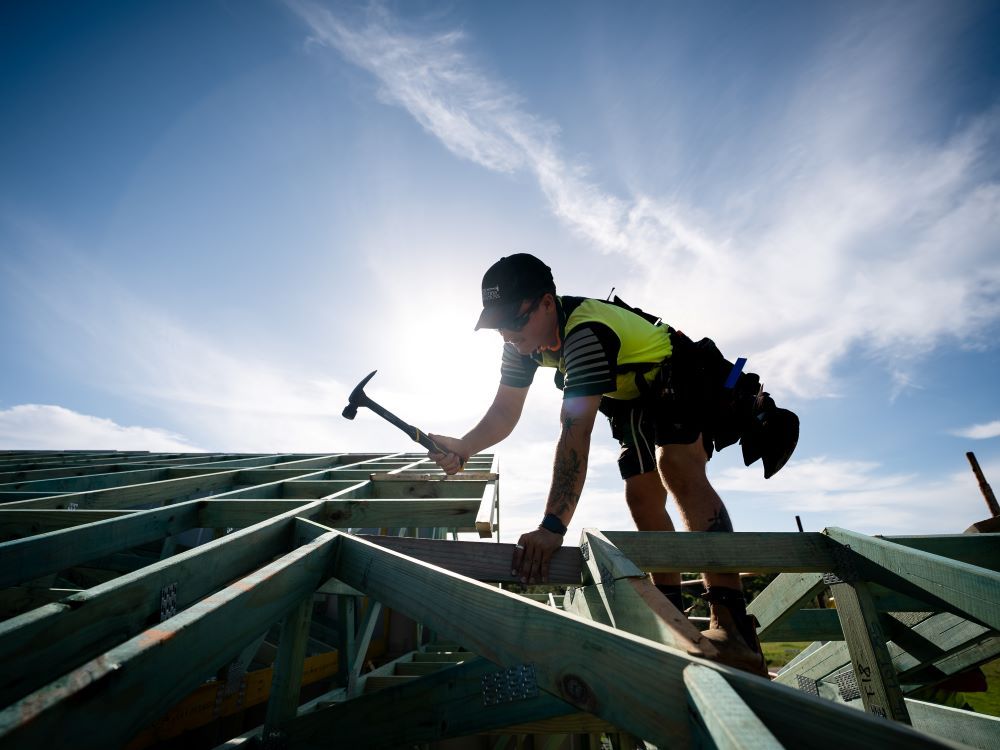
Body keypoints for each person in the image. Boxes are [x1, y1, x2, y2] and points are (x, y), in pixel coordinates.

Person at [429, 253, 798, 676]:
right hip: (630, 397)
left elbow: (575, 432)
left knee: (676, 467)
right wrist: (464, 445)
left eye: (515, 321)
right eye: (498, 327)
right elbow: (502, 414)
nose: (509, 336)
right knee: (641, 497)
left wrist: (552, 526)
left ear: (547, 303)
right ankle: (670, 615)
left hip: (671, 373)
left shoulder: (585, 333)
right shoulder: (521, 347)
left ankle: (733, 628)